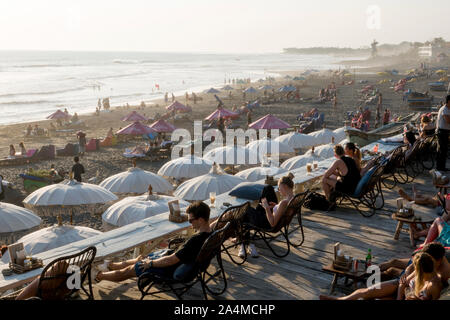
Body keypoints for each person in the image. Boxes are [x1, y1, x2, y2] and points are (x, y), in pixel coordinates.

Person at [92, 202, 212, 283]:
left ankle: (98, 276)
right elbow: (214, 224)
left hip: (170, 269)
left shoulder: (195, 240)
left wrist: (151, 264)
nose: (189, 222)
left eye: (191, 219)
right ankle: (111, 266)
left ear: (201, 220)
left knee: (131, 270)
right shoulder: (211, 233)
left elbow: (170, 260)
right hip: (179, 262)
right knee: (141, 258)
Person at [320, 243, 447, 300]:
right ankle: (340, 299)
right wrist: (403, 286)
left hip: (403, 294)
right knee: (369, 291)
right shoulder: (421, 270)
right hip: (401, 289)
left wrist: (402, 291)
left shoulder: (435, 283)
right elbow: (404, 281)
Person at [237, 176, 293, 258]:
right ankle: (246, 242)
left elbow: (272, 223)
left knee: (245, 209)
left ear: (285, 186)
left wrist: (266, 207)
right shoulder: (293, 198)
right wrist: (276, 206)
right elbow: (281, 211)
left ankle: (245, 243)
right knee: (268, 188)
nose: (278, 190)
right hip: (276, 219)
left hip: (267, 223)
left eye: (279, 187)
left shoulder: (284, 203)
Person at [436, 95, 450, 171]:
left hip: (445, 131)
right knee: (441, 150)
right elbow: (448, 121)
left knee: (444, 150)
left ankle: (442, 167)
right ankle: (439, 167)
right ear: (448, 101)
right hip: (442, 132)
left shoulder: (448, 109)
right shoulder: (444, 109)